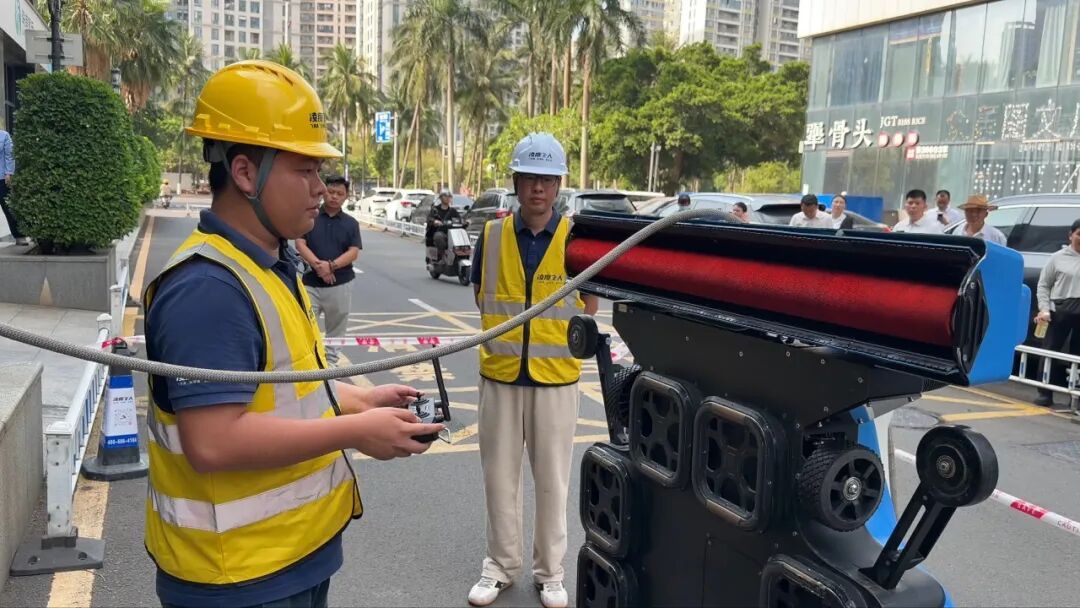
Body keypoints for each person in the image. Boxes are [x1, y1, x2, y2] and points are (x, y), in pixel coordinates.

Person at [142, 60, 442, 608]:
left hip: (291, 558)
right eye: (304, 170)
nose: (320, 189)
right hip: (237, 579)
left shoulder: (268, 263)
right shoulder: (208, 288)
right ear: (245, 173)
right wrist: (355, 432)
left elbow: (286, 384)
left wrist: (360, 401)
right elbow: (213, 442)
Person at [467, 132, 599, 608]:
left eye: (546, 179)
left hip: (556, 380)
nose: (538, 188)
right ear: (516, 182)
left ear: (559, 185)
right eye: (529, 178)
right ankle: (500, 566)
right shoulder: (492, 235)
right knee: (499, 479)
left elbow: (589, 306)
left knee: (552, 482)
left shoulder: (577, 240)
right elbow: (481, 293)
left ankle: (550, 573)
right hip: (500, 376)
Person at [295, 175, 362, 367]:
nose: (334, 197)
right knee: (305, 325)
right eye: (331, 192)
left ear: (346, 196)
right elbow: (300, 243)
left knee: (336, 329)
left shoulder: (351, 223)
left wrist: (331, 266)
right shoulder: (309, 216)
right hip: (310, 283)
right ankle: (308, 365)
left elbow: (353, 252)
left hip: (340, 283)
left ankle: (331, 367)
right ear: (324, 192)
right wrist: (319, 266)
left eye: (339, 193)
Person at [1033, 219, 1080, 407]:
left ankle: (1076, 397)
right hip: (1060, 309)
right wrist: (1044, 308)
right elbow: (1044, 285)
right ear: (1070, 235)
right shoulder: (1057, 258)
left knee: (1078, 355)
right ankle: (1044, 393)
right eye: (1079, 234)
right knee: (1051, 350)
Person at [0, 126, 25, 245]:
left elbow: (9, 155)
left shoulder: (4, 135)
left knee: (8, 208)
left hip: (2, 178)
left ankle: (19, 236)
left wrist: (9, 173)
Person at [427, 188, 462, 259]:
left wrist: (466, 222)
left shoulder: (453, 211)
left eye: (449, 196)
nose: (447, 198)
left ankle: (461, 257)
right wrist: (434, 221)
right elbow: (429, 219)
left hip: (452, 234)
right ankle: (442, 256)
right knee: (438, 236)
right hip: (440, 233)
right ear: (440, 197)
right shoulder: (435, 210)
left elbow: (459, 220)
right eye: (445, 196)